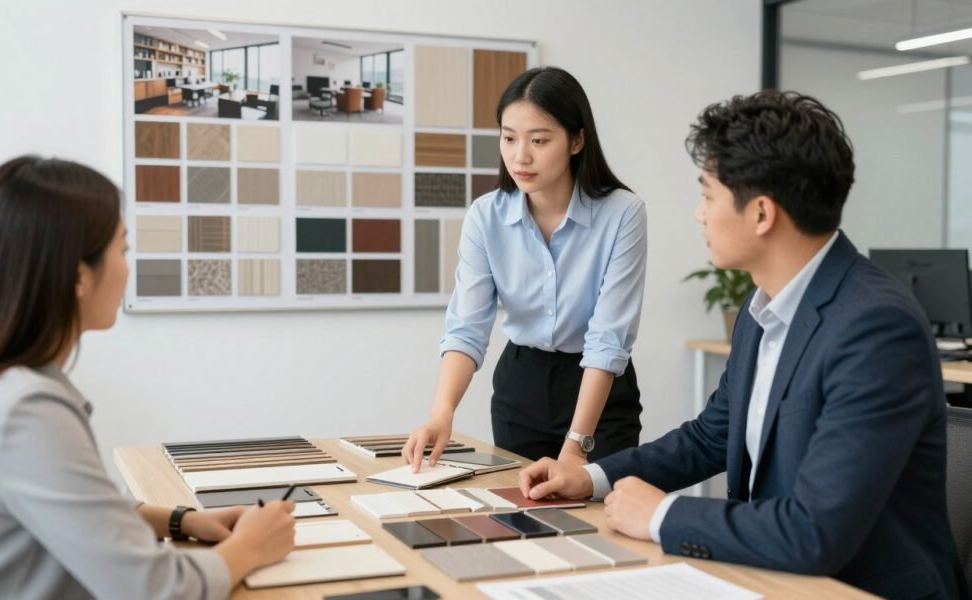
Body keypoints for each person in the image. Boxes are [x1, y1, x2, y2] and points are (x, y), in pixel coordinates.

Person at [519, 90, 969, 599]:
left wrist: (662, 515)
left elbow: (814, 531)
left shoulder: (875, 327)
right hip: (770, 578)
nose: (699, 214)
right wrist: (591, 477)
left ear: (760, 214)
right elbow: (711, 437)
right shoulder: (763, 310)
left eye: (708, 195)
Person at [0, 156, 296, 599]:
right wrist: (251, 546)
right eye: (122, 249)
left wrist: (180, 520)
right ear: (77, 276)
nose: (128, 268)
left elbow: (75, 506)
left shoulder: (3, 388)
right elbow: (154, 590)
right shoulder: (25, 412)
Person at [404, 66, 647, 470]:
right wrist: (441, 413)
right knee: (523, 517)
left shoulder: (623, 214)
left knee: (601, 521)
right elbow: (467, 327)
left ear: (577, 140)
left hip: (599, 391)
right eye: (509, 138)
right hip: (523, 383)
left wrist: (575, 447)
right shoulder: (486, 217)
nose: (521, 156)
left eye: (539, 140)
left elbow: (608, 339)